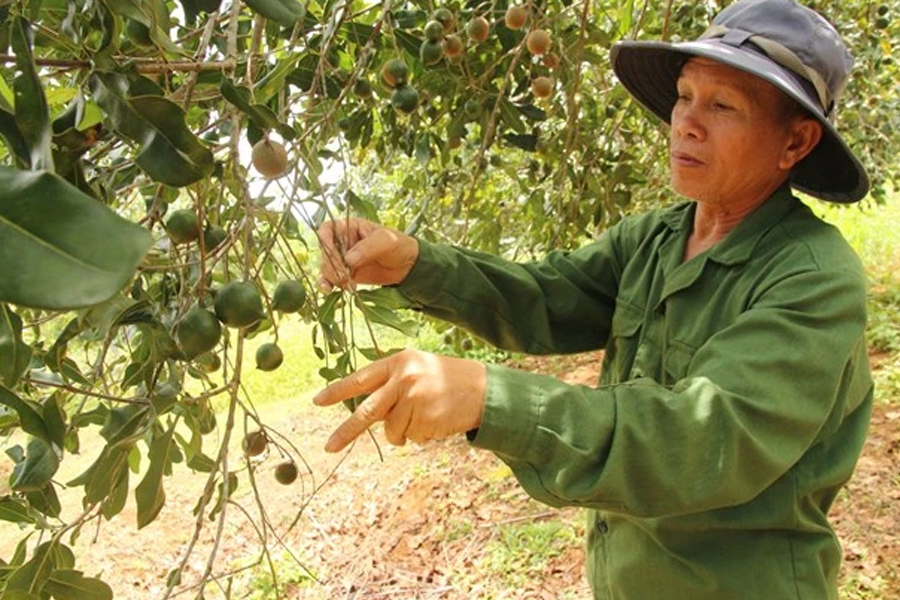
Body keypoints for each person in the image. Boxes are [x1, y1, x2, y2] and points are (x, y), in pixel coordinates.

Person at [313, 0, 874, 598]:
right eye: (685, 96)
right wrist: (414, 263)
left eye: (723, 105)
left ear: (795, 143)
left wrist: (490, 398)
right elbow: (547, 298)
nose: (686, 123)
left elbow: (700, 439)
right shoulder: (657, 237)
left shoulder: (813, 278)